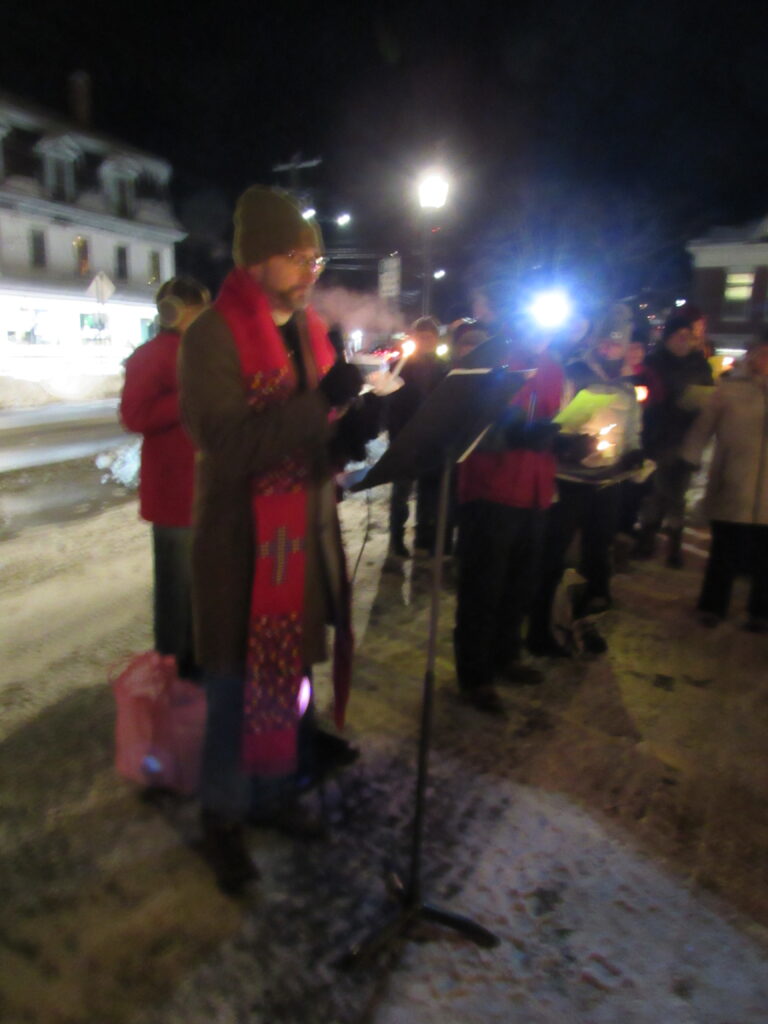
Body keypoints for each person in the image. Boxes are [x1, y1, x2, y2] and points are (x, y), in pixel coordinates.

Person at [179, 186, 364, 893]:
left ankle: (273, 796)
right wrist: (322, 405)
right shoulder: (212, 335)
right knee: (234, 686)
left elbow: (310, 431)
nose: (310, 266)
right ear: (256, 258)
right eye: (295, 254)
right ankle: (222, 821)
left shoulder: (311, 332)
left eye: (314, 254)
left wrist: (346, 430)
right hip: (241, 543)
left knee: (288, 685)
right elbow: (228, 443)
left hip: (299, 538)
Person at [452, 285, 572, 714]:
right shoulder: (493, 357)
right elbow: (469, 425)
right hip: (492, 490)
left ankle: (506, 654)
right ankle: (475, 675)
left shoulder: (553, 366)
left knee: (520, 583)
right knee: (483, 587)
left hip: (537, 492)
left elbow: (552, 422)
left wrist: (568, 442)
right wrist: (515, 433)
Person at [527, 330, 643, 656]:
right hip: (569, 481)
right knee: (554, 556)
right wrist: (567, 447)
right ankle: (542, 625)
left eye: (616, 342)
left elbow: (633, 430)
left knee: (598, 557)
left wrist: (634, 453)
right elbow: (555, 423)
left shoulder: (626, 386)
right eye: (605, 340)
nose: (610, 347)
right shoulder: (574, 375)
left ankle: (587, 622)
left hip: (607, 483)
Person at [119, 276, 210, 679]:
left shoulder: (202, 351)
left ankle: (195, 667)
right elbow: (134, 415)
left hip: (207, 491)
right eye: (199, 310)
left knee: (201, 590)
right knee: (176, 594)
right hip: (173, 495)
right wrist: (188, 398)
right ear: (175, 311)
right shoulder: (151, 355)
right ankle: (173, 675)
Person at [680, 335, 768, 631]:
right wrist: (690, 456)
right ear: (753, 355)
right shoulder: (730, 388)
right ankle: (713, 605)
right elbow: (704, 425)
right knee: (725, 551)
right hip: (733, 481)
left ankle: (761, 612)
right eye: (763, 353)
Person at [634, 307, 714, 567]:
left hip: (686, 438)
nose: (683, 340)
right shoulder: (654, 362)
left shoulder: (700, 365)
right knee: (655, 492)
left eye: (687, 335)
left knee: (678, 495)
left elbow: (708, 396)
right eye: (678, 334)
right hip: (658, 436)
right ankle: (647, 538)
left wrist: (700, 405)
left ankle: (674, 545)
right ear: (668, 336)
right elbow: (644, 398)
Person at [385, 316, 447, 560]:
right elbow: (392, 406)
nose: (426, 342)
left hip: (431, 441)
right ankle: (396, 538)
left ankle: (423, 536)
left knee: (428, 493)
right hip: (405, 439)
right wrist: (397, 438)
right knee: (401, 493)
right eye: (421, 337)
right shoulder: (401, 366)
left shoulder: (443, 367)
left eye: (430, 337)